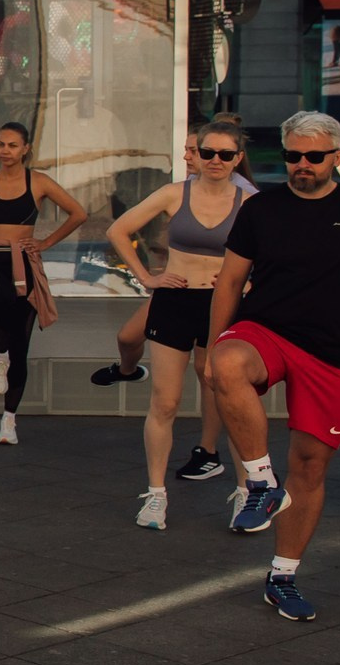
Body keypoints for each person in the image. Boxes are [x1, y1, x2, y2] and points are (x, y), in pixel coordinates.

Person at [207, 110, 340, 622]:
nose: (302, 164)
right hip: (266, 331)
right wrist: (212, 349)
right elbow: (230, 282)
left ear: (338, 158)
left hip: (331, 351)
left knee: (311, 467)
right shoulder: (262, 209)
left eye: (314, 156)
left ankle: (282, 577)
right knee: (228, 366)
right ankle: (259, 484)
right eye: (293, 155)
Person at [106, 120, 252, 530]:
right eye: (208, 153)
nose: (216, 161)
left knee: (230, 400)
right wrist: (147, 277)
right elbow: (119, 230)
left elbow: (278, 248)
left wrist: (251, 281)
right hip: (174, 299)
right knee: (165, 402)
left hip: (221, 305)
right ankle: (156, 495)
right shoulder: (175, 193)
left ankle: (246, 493)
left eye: (226, 154)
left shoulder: (249, 201)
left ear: (238, 158)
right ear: (197, 154)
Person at [0, 121, 85, 446]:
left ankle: (9, 419)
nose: (6, 151)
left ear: (25, 149)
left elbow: (77, 213)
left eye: (13, 145)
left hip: (23, 263)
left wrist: (46, 242)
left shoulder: (38, 182)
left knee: (21, 345)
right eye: (1, 144)